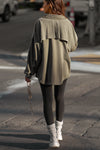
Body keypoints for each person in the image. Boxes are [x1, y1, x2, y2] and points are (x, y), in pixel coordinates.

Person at [24, 0, 78, 148]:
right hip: (63, 67)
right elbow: (73, 45)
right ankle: (59, 131)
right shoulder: (66, 23)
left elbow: (34, 50)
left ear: (50, 4)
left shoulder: (40, 23)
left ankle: (53, 138)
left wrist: (29, 71)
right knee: (60, 98)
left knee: (48, 101)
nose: (43, 5)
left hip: (45, 68)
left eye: (45, 2)